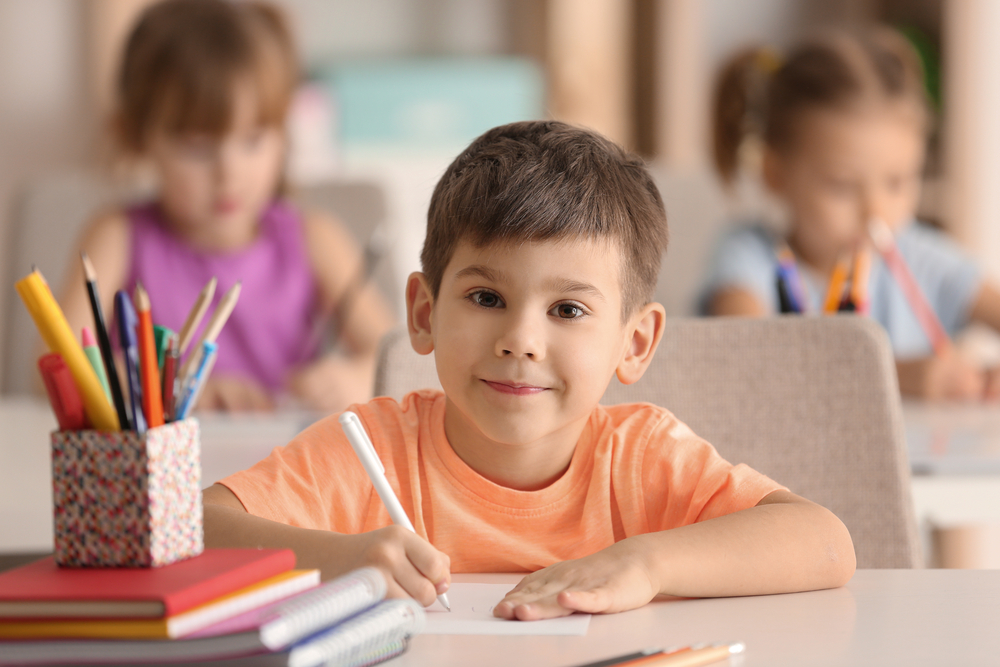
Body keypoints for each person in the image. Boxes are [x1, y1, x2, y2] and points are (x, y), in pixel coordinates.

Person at [202, 121, 855, 621]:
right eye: (486, 298)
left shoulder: (640, 459)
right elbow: (196, 528)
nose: (520, 340)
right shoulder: (370, 448)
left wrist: (648, 562)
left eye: (568, 309)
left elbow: (825, 543)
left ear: (635, 341)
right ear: (424, 314)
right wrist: (338, 558)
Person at [56, 0, 394, 412]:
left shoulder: (313, 238)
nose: (229, 174)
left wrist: (361, 377)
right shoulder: (117, 236)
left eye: (253, 140)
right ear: (137, 135)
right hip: (161, 473)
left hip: (288, 467)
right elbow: (59, 373)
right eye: (198, 148)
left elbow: (406, 361)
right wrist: (168, 388)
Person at [700, 27, 1000, 402]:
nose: (876, 211)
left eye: (896, 182)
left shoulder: (921, 257)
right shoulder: (751, 258)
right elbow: (747, 357)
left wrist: (983, 380)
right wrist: (894, 374)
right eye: (841, 186)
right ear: (775, 174)